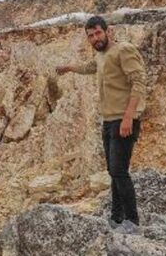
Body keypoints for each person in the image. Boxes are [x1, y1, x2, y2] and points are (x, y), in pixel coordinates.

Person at [56, 15, 147, 234]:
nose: (95, 38)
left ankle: (132, 221)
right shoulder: (101, 55)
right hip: (108, 121)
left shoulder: (123, 50)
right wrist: (69, 68)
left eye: (98, 33)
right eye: (91, 36)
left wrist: (128, 117)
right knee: (113, 171)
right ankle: (116, 217)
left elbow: (139, 82)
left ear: (108, 31)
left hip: (123, 120)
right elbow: (90, 67)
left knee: (119, 171)